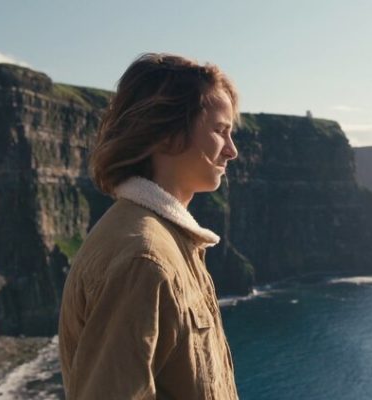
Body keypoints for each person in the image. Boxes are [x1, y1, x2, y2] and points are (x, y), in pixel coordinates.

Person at [58, 53, 240, 399]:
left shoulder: (165, 241)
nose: (231, 150)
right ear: (166, 134)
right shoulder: (144, 260)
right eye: (220, 131)